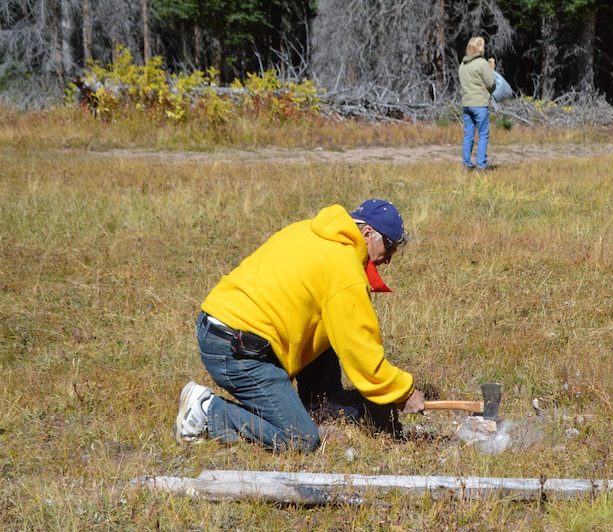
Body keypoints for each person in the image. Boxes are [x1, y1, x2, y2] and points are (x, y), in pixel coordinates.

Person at [174, 199, 427, 452]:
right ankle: (206, 410)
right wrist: (402, 393)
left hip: (219, 325)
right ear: (367, 233)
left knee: (327, 319)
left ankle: (319, 403)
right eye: (390, 248)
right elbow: (361, 352)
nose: (389, 259)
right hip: (237, 351)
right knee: (301, 440)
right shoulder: (344, 269)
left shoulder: (308, 230)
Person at [458, 36, 496, 171]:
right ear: (480, 48)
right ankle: (481, 165)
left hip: (466, 104)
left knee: (468, 134)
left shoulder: (463, 65)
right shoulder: (482, 63)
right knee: (483, 134)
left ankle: (466, 164)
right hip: (479, 104)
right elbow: (491, 83)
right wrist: (491, 69)